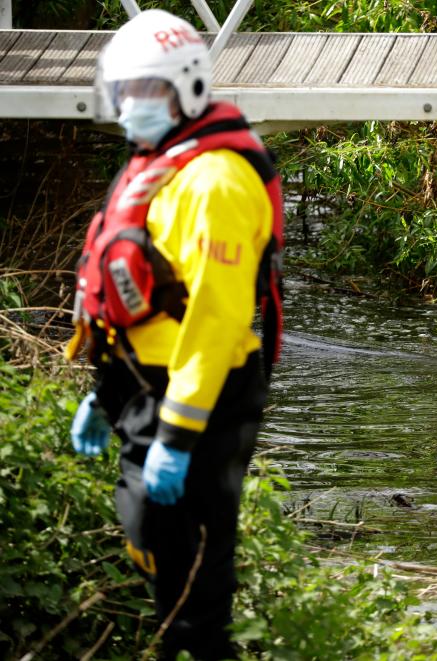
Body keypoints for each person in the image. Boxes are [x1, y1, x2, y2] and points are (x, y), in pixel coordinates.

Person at [64, 9, 283, 659]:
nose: (131, 104)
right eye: (124, 90)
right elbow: (138, 295)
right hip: (143, 382)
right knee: (152, 535)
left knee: (194, 566)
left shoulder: (215, 182)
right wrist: (105, 393)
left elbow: (214, 322)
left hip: (205, 396)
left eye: (146, 91)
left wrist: (178, 435)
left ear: (186, 89)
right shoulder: (156, 165)